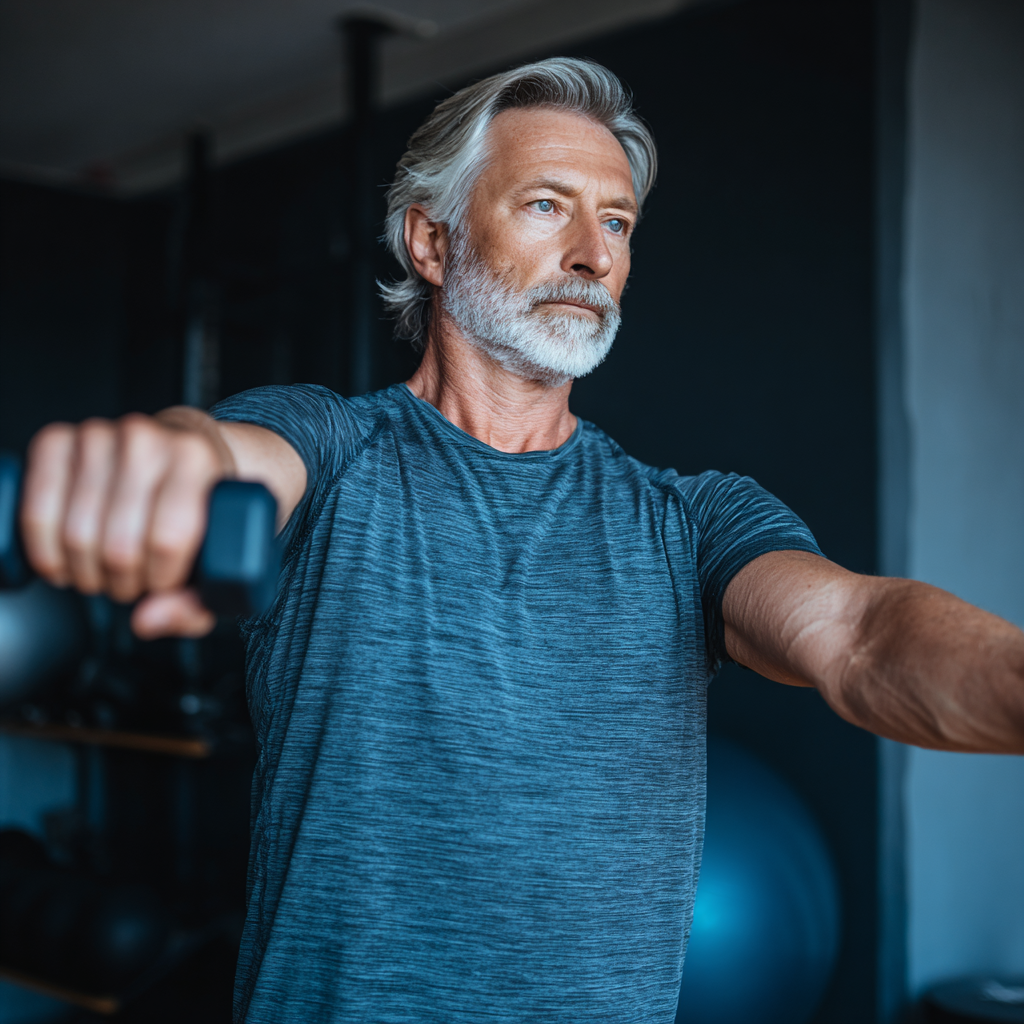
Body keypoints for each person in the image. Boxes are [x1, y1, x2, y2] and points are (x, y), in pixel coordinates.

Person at [18, 58, 1024, 1023]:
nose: (594, 253)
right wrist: (170, 461)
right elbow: (226, 459)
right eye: (548, 205)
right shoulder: (332, 452)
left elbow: (857, 632)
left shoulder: (691, 522)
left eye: (617, 220)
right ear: (431, 242)